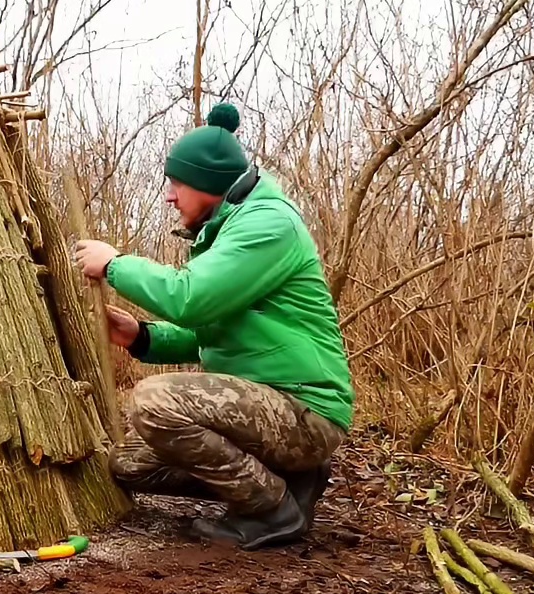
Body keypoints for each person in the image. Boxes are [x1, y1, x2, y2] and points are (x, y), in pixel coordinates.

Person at [73, 102, 354, 551]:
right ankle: (289, 478)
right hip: (266, 406)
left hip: (303, 408)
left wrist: (115, 264)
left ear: (207, 183)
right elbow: (213, 329)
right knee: (127, 463)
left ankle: (271, 510)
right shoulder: (229, 228)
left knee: (153, 402)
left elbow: (189, 298)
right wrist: (141, 336)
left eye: (176, 184)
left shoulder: (268, 225)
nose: (169, 197)